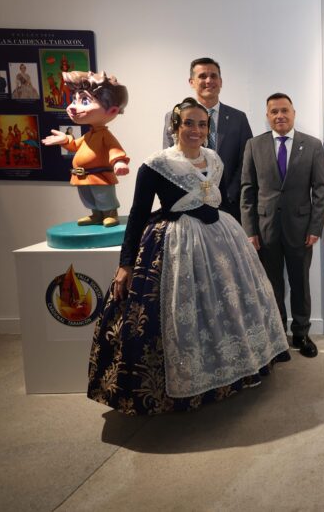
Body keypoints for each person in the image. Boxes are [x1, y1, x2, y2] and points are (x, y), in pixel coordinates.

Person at [87, 98, 290, 416]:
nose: (196, 130)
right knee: (181, 314)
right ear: (176, 126)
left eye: (202, 124)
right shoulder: (156, 164)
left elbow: (218, 200)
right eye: (189, 123)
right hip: (176, 245)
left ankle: (237, 371)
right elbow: (138, 214)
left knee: (229, 306)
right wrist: (125, 264)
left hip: (221, 238)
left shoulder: (214, 159)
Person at [241, 93, 324, 357]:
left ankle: (301, 334)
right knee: (271, 284)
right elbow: (248, 190)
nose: (280, 115)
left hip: (301, 229)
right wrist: (250, 231)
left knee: (300, 282)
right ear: (267, 116)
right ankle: (277, 336)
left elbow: (320, 190)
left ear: (293, 113)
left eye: (284, 110)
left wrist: (315, 228)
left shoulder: (312, 145)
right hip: (265, 229)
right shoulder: (254, 145)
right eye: (274, 111)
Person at [162, 58, 252, 219]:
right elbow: (170, 160)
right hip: (186, 207)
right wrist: (190, 195)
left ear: (221, 82)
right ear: (191, 82)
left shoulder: (238, 118)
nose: (209, 81)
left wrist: (228, 194)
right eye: (202, 76)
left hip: (229, 206)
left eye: (213, 76)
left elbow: (246, 161)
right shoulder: (174, 116)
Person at [41, 72, 129, 227]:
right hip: (82, 176)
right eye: (74, 99)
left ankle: (110, 213)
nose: (72, 107)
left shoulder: (104, 135)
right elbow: (75, 145)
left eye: (85, 101)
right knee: (88, 197)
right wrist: (65, 140)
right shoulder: (89, 135)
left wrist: (119, 162)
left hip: (100, 176)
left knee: (104, 196)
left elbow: (114, 148)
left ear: (112, 111)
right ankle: (96, 214)